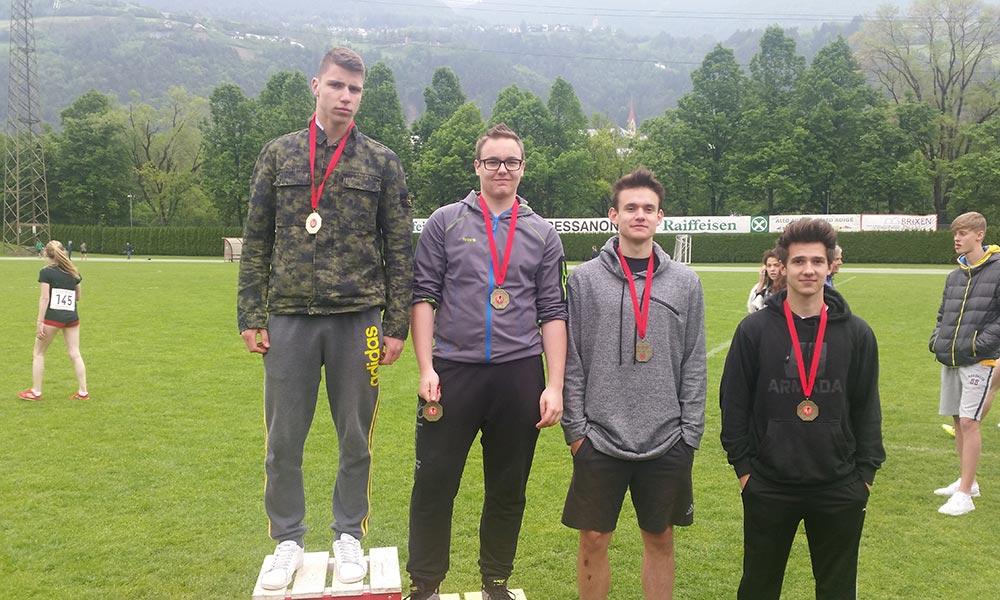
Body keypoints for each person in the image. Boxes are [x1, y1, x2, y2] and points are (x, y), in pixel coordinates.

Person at [237, 47, 413, 590]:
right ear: (316, 85)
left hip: (358, 318)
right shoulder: (279, 154)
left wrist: (397, 322)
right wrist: (250, 312)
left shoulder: (382, 161)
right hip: (288, 317)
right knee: (283, 438)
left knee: (356, 436)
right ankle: (288, 537)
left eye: (355, 89)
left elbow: (400, 246)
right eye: (337, 85)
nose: (345, 97)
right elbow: (256, 236)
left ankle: (349, 535)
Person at [406, 123, 567, 600]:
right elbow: (423, 298)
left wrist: (553, 385)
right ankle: (426, 585)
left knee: (507, 488)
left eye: (511, 162)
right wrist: (426, 367)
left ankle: (496, 580)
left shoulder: (541, 231)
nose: (502, 169)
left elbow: (553, 312)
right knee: (434, 482)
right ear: (477, 167)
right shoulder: (445, 222)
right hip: (453, 370)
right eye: (493, 161)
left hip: (518, 374)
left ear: (523, 168)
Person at [720, 218, 884, 600]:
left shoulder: (857, 332)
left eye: (816, 261)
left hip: (839, 484)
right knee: (759, 586)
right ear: (782, 266)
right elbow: (734, 401)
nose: (808, 270)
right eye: (798, 262)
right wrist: (745, 469)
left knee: (837, 589)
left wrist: (865, 475)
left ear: (830, 266)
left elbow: (866, 406)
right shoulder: (755, 330)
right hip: (769, 483)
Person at [561, 168, 706, 600]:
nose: (639, 215)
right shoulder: (585, 280)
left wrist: (690, 433)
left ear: (660, 217)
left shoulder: (685, 282)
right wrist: (576, 432)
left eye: (648, 208)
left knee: (660, 538)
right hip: (599, 436)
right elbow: (573, 360)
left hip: (666, 437)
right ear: (613, 215)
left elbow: (694, 360)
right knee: (593, 540)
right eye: (630, 208)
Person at [930, 211, 1000, 516]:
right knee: (959, 419)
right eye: (955, 233)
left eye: (963, 233)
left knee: (971, 421)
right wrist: (937, 340)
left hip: (979, 359)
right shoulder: (954, 275)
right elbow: (943, 314)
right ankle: (967, 483)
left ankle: (965, 495)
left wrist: (977, 344)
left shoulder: (998, 270)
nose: (957, 238)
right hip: (951, 358)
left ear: (979, 235)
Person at [19, 241, 89, 401]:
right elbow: (78, 297)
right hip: (71, 317)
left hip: (52, 318)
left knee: (38, 353)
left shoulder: (46, 272)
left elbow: (45, 298)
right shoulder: (74, 272)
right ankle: (83, 392)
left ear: (46, 255)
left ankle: (36, 391)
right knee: (75, 353)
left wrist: (39, 322)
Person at [747, 248, 784, 313]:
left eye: (776, 265)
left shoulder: (789, 288)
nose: (772, 269)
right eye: (769, 266)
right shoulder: (762, 287)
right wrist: (761, 283)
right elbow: (751, 310)